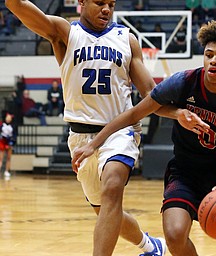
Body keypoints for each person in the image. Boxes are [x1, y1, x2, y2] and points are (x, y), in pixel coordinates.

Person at [72, 20, 216, 256]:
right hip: (185, 170)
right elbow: (134, 112)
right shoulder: (183, 82)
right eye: (209, 55)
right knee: (174, 236)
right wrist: (94, 143)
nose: (213, 61)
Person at [5, 0, 168, 255]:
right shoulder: (65, 32)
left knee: (113, 187)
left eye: (111, 4)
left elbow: (150, 93)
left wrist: (180, 112)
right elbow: (17, 5)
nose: (107, 9)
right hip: (80, 137)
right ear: (81, 2)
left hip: (119, 130)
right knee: (106, 210)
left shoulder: (127, 39)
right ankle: (150, 245)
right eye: (100, 3)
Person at [0, 112, 16, 178]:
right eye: (7, 117)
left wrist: (11, 142)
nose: (8, 119)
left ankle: (7, 171)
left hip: (9, 142)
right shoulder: (1, 125)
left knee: (8, 158)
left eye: (10, 118)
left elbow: (14, 135)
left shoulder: (13, 126)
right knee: (1, 158)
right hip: (2, 142)